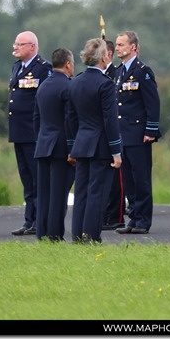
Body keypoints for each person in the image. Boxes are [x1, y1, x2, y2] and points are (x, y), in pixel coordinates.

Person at [68, 38, 122, 243]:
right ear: (103, 57)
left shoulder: (76, 82)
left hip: (81, 143)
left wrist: (72, 146)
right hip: (100, 146)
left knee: (81, 192)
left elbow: (71, 118)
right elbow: (110, 121)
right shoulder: (106, 84)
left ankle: (77, 235)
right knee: (97, 193)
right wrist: (116, 152)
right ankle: (91, 235)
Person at [114, 31, 161, 235]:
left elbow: (152, 103)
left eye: (121, 44)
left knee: (141, 179)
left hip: (139, 132)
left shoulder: (143, 71)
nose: (117, 48)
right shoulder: (117, 72)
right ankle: (133, 217)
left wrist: (151, 129)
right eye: (116, 45)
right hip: (122, 134)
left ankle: (143, 220)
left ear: (133, 47)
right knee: (129, 180)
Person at [7, 31, 52, 236]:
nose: (14, 47)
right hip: (19, 131)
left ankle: (39, 220)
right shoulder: (17, 67)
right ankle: (29, 219)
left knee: (37, 179)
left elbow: (44, 101)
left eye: (19, 44)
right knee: (27, 180)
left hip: (33, 132)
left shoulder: (43, 69)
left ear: (32, 47)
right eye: (15, 44)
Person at [33, 48, 76, 241]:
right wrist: (71, 147)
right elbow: (69, 120)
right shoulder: (68, 87)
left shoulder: (43, 86)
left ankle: (42, 231)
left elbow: (36, 118)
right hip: (61, 148)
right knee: (58, 195)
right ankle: (55, 233)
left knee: (44, 194)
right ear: (67, 64)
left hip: (43, 144)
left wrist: (41, 138)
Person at [102, 39, 126, 230]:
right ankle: (104, 214)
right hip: (99, 133)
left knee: (117, 180)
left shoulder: (116, 73)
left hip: (117, 129)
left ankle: (115, 216)